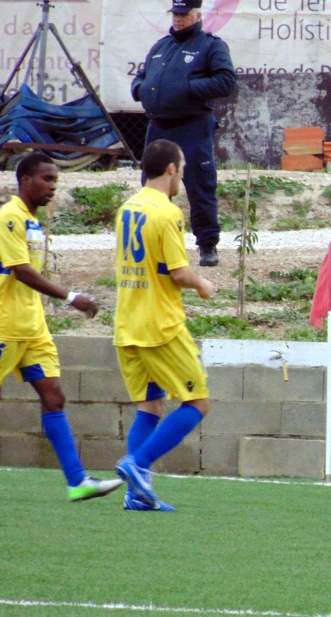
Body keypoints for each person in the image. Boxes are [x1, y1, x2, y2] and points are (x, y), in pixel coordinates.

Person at [0, 153, 123, 503]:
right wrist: (71, 297)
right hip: (2, 324)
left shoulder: (33, 221)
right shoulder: (10, 216)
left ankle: (78, 482)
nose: (53, 186)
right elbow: (20, 270)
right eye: (47, 179)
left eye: (55, 180)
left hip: (32, 327)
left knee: (54, 396)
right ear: (25, 180)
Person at [113, 139, 215, 511]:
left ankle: (136, 495)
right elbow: (178, 272)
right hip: (160, 326)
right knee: (198, 402)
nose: (182, 177)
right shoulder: (167, 212)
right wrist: (202, 283)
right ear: (171, 169)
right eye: (182, 170)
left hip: (127, 323)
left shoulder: (127, 208)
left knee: (151, 406)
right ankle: (138, 464)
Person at [131, 0, 237, 268]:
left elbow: (226, 81)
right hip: (158, 127)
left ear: (197, 15)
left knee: (200, 185)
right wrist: (139, 89)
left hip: (192, 126)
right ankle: (155, 244)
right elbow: (141, 76)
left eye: (183, 14)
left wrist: (188, 88)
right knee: (153, 187)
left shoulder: (211, 46)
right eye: (175, 14)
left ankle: (207, 245)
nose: (178, 19)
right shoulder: (161, 46)